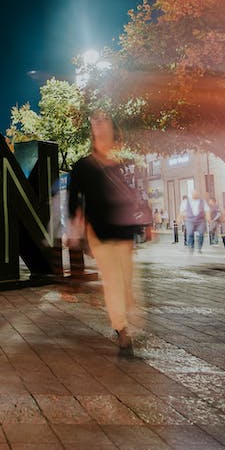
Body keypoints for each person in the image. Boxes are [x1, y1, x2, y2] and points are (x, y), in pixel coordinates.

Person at [66, 113, 148, 354]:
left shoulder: (120, 165)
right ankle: (121, 329)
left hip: (123, 230)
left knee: (127, 281)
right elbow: (73, 199)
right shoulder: (83, 166)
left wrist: (142, 222)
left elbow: (132, 197)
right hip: (98, 231)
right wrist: (76, 224)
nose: (100, 129)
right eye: (96, 125)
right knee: (113, 280)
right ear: (92, 132)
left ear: (113, 131)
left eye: (105, 124)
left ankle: (125, 314)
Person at [180, 186, 208, 254]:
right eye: (194, 194)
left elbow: (207, 210)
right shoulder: (186, 201)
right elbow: (181, 211)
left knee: (201, 234)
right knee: (190, 233)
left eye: (197, 194)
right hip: (190, 220)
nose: (196, 195)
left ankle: (199, 248)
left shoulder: (203, 201)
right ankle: (191, 247)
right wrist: (181, 218)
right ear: (191, 194)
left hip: (200, 220)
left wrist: (208, 218)